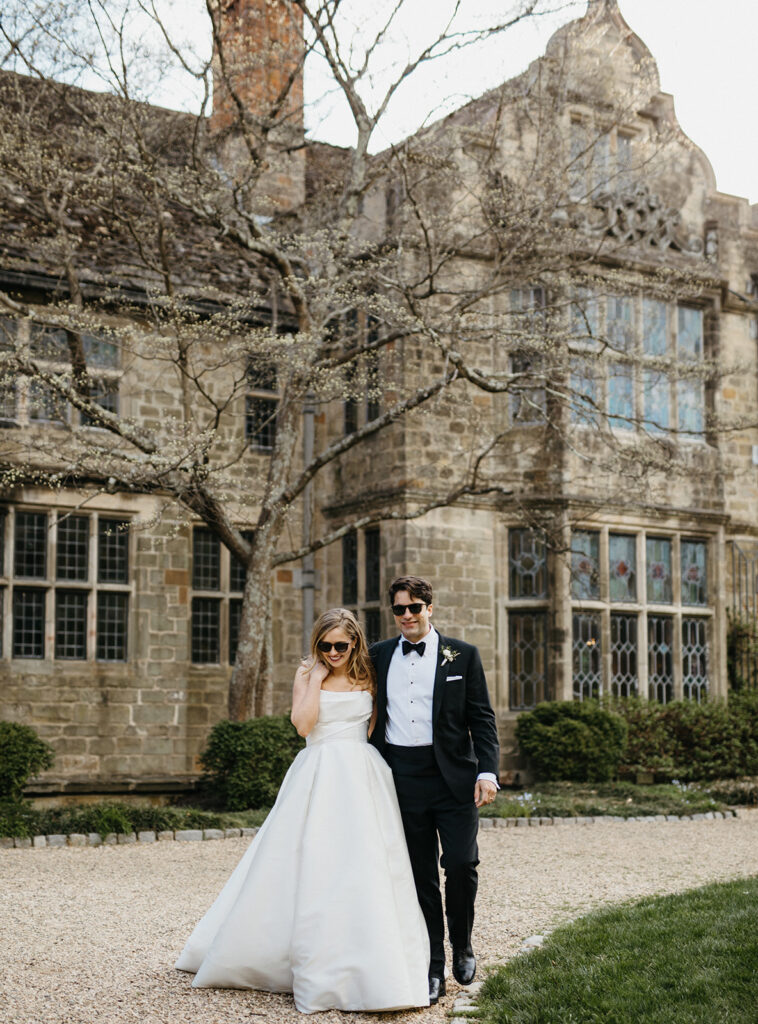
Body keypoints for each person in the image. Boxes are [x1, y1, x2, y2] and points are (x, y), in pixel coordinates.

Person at [175, 608, 429, 1015]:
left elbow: (375, 728)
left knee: (365, 862)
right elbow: (303, 726)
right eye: (325, 645)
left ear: (354, 643)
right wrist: (314, 679)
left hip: (362, 774)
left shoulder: (369, 675)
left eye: (340, 645)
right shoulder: (308, 672)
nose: (333, 652)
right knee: (306, 858)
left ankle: (369, 960)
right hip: (317, 771)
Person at [369, 576, 500, 1004]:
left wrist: (487, 772)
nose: (407, 615)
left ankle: (462, 944)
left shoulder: (463, 654)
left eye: (414, 607)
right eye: (399, 609)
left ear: (430, 607)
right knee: (419, 875)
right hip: (401, 779)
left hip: (453, 779)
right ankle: (432, 966)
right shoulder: (378, 656)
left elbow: (482, 719)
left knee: (461, 864)